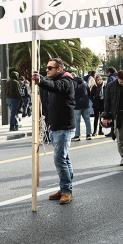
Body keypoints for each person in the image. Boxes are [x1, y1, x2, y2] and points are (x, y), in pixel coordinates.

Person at [33, 58, 76, 204]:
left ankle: (66, 191)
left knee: (60, 159)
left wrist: (41, 81)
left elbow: (56, 87)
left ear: (59, 69)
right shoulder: (53, 81)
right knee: (65, 159)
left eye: (50, 68)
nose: (47, 70)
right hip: (56, 125)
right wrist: (49, 122)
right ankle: (66, 188)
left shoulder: (66, 80)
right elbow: (50, 103)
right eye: (46, 68)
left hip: (64, 127)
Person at [73, 73, 93, 141]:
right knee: (87, 119)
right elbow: (89, 93)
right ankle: (88, 134)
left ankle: (77, 135)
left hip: (77, 104)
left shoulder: (73, 84)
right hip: (85, 104)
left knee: (77, 120)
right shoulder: (85, 83)